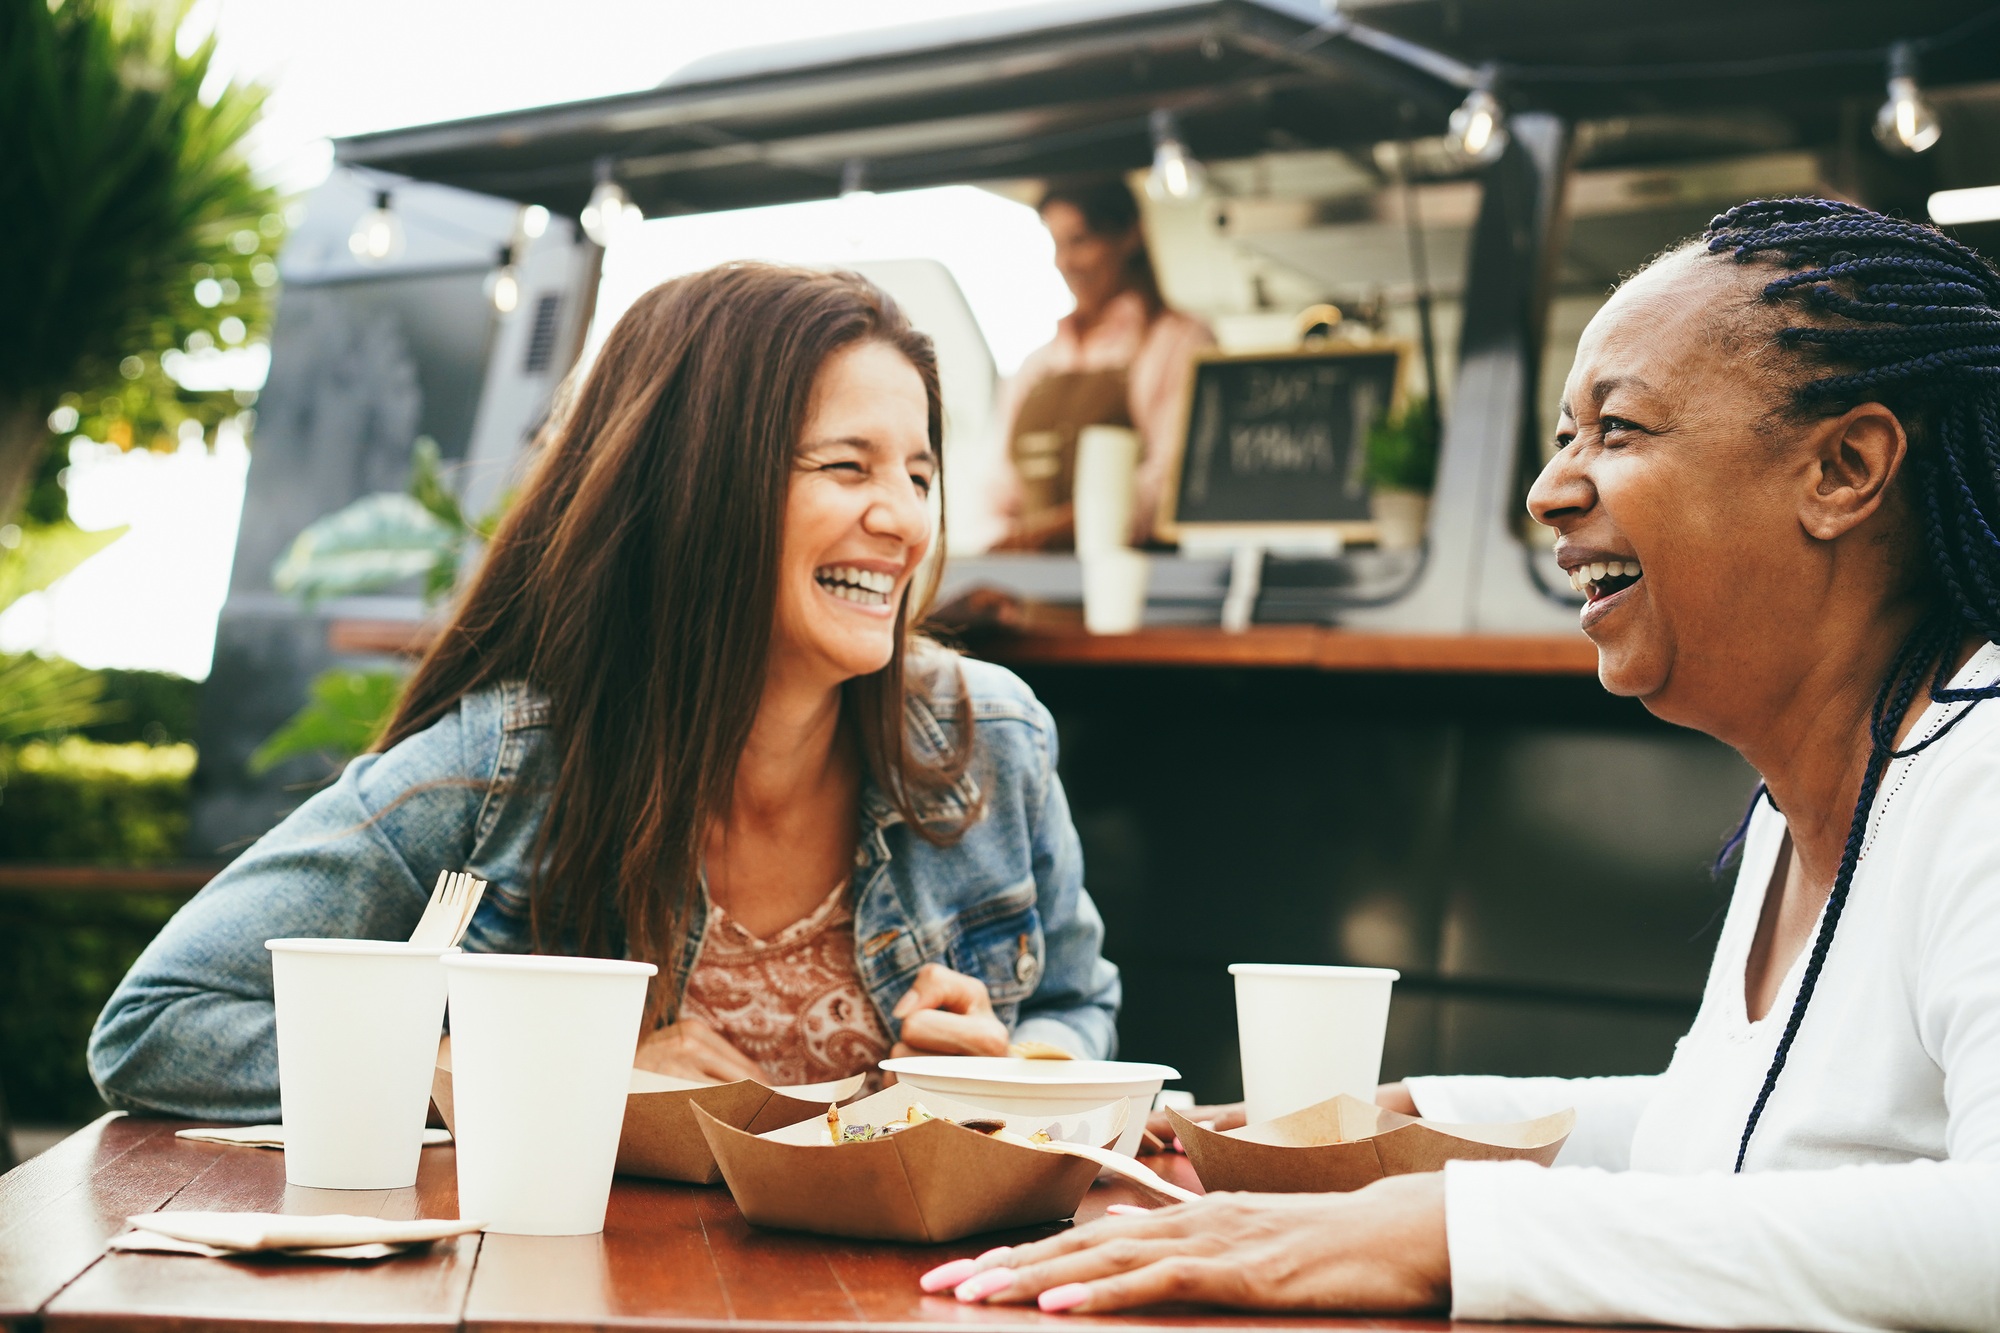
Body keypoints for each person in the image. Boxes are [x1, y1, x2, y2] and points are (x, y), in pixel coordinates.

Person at [924, 198, 2000, 1330]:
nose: (1548, 490)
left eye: (1615, 430)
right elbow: (1722, 1132)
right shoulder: (1808, 801)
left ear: (1844, 466)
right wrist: (1392, 1125)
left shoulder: (1982, 776)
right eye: (1559, 438)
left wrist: (1435, 1229)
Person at [89, 263, 1120, 1119]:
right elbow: (161, 1023)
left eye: (920, 475)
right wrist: (547, 1080)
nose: (902, 519)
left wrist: (1022, 1071)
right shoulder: (502, 771)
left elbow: (1074, 1004)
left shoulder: (991, 739)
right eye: (847, 467)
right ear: (698, 483)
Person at [990, 175, 1213, 549]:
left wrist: (1053, 532)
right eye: (1056, 244)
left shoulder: (1179, 342)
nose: (1065, 262)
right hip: (1030, 596)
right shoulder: (1037, 363)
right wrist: (998, 550)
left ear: (1129, 236)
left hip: (1135, 591)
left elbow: (1172, 482)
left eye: (1080, 241)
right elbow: (997, 485)